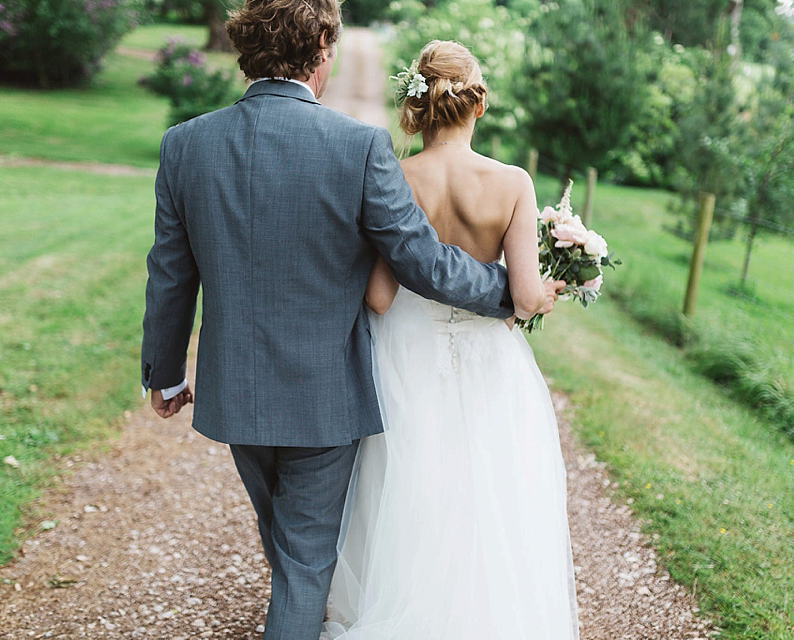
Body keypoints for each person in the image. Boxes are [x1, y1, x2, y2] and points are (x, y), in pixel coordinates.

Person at [139, 0, 563, 638]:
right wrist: (512, 292)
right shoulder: (358, 146)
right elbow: (421, 261)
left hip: (237, 396)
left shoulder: (185, 145)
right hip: (324, 399)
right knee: (306, 560)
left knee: (288, 548)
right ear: (320, 50)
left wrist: (165, 375)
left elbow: (171, 274)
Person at [322, 40, 580, 640]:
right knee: (491, 489)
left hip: (406, 354)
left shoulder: (397, 177)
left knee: (408, 490)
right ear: (478, 104)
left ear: (417, 106)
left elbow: (379, 297)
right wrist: (552, 288)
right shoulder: (512, 182)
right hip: (491, 358)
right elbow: (520, 298)